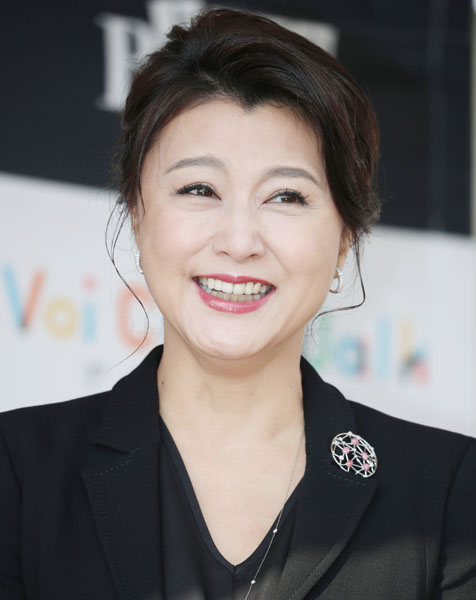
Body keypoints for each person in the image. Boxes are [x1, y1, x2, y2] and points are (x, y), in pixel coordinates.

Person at [1, 7, 475, 600]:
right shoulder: (17, 472)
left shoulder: (449, 493)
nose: (239, 240)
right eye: (199, 188)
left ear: (345, 238)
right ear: (137, 214)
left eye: (286, 196)